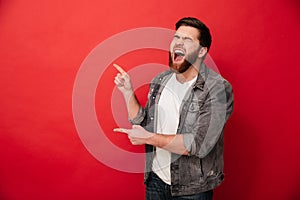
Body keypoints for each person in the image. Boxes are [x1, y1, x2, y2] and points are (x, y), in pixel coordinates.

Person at [113, 17, 234, 200]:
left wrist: (150, 138)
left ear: (202, 51)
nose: (179, 42)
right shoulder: (161, 80)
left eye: (187, 40)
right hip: (155, 179)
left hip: (192, 189)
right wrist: (127, 92)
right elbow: (145, 124)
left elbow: (199, 145)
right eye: (176, 37)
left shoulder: (217, 89)